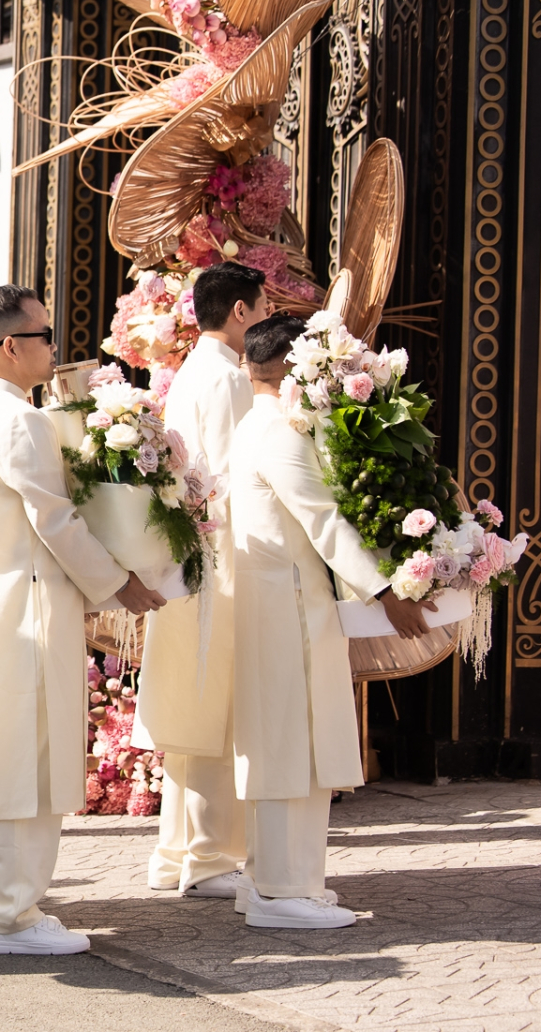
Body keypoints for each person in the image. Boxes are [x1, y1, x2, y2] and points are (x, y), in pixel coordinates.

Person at [0, 285, 165, 955]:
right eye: (44, 334)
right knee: (27, 762)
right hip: (25, 607)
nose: (54, 347)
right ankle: (12, 913)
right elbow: (56, 520)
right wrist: (120, 581)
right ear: (10, 345)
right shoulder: (18, 419)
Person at [229, 314, 426, 928]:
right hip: (285, 599)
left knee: (289, 738)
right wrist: (386, 587)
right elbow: (322, 520)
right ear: (296, 369)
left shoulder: (254, 426)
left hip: (281, 596)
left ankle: (280, 880)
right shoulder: (280, 434)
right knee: (291, 739)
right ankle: (279, 890)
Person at [133, 262, 270, 898]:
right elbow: (235, 479)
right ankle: (211, 857)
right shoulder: (227, 379)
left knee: (195, 709)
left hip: (196, 554)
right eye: (263, 306)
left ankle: (177, 852)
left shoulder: (194, 371)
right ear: (239, 311)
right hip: (223, 556)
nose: (267, 317)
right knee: (215, 709)